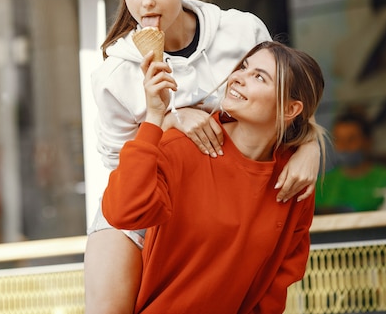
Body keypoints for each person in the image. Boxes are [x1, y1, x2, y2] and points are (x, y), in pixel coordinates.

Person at [85, 0, 322, 314]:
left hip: (233, 200)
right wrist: (170, 119)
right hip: (148, 200)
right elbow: (117, 169)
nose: (146, 2)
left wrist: (311, 145)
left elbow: (283, 96)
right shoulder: (115, 73)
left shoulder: (240, 32)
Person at [102, 41, 326, 313]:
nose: (238, 78)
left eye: (258, 77)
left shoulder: (294, 178)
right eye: (243, 67)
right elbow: (124, 213)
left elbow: (281, 276)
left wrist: (311, 145)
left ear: (291, 110)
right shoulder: (183, 148)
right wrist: (154, 119)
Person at [315, 108, 386, 214]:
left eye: (351, 140)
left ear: (367, 141)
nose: (344, 147)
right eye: (339, 140)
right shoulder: (322, 184)